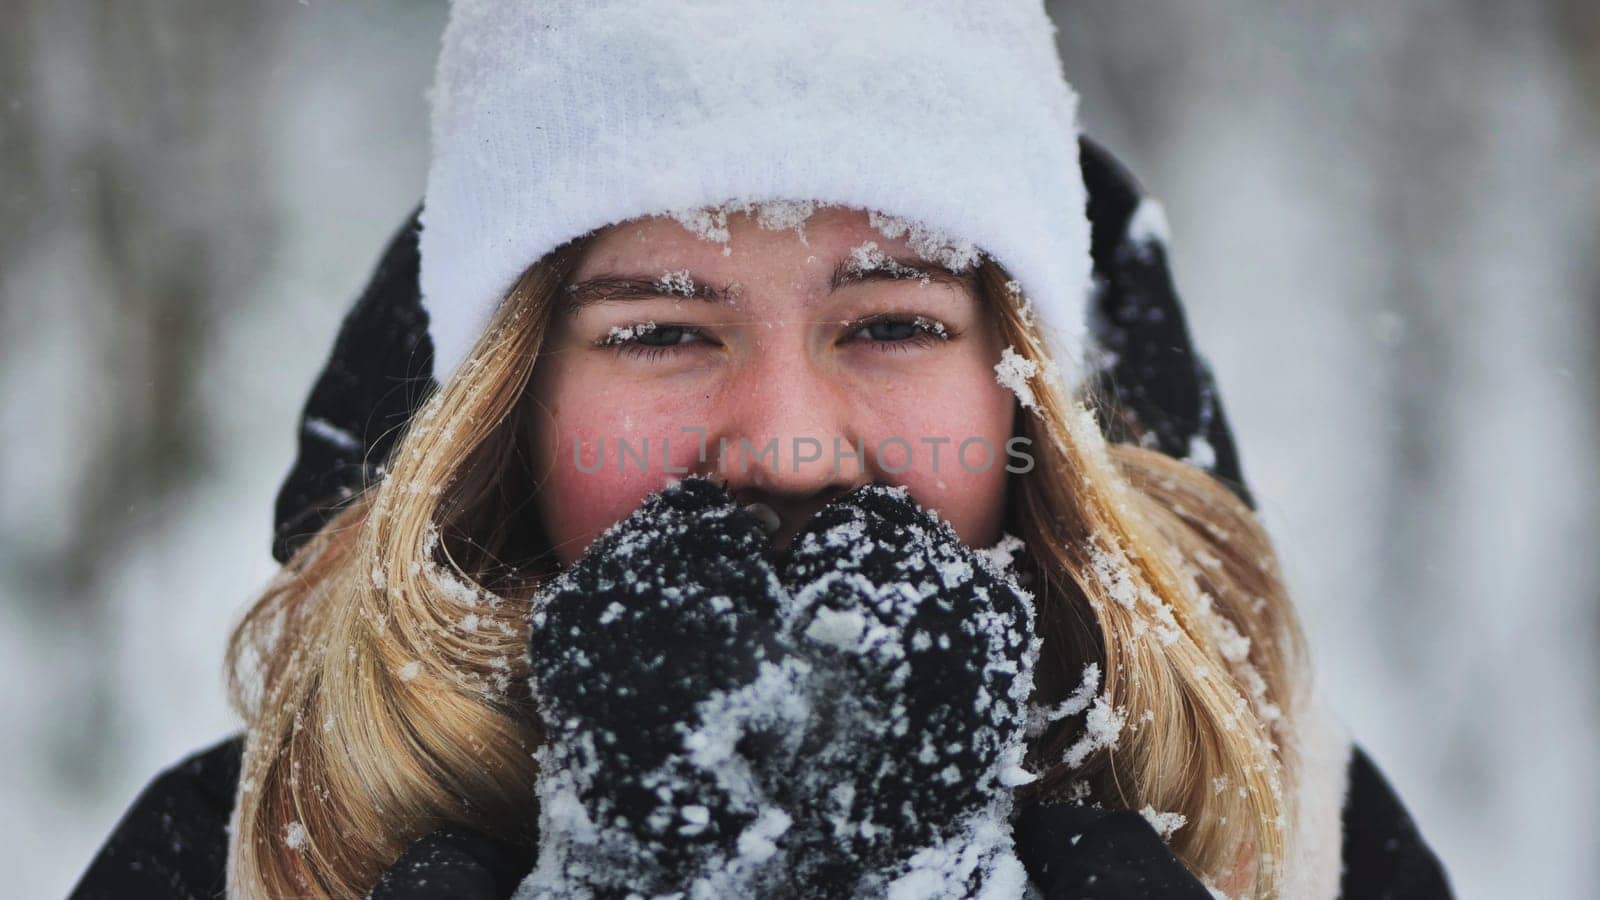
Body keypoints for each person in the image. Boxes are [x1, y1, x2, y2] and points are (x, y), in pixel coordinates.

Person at [70, 2, 1453, 898]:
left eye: (893, 322)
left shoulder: (1306, 846)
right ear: (514, 410)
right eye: (663, 335)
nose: (789, 445)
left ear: (1022, 390)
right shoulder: (241, 860)